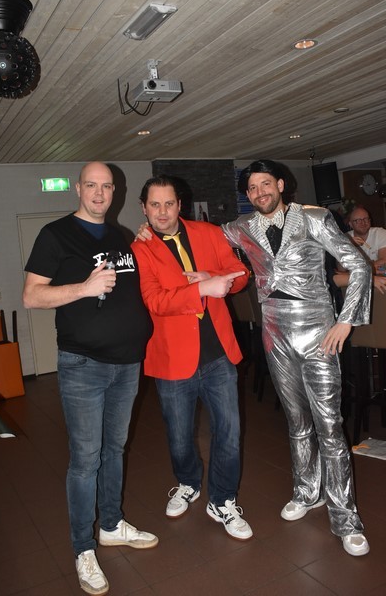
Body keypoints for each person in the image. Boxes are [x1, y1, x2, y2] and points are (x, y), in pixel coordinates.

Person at [222, 159, 372, 557]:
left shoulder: (314, 218)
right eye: (252, 188)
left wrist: (346, 321)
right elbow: (203, 236)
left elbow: (359, 265)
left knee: (329, 426)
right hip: (274, 331)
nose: (259, 192)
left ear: (280, 184)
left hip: (318, 331)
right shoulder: (243, 226)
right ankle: (307, 491)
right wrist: (152, 231)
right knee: (296, 421)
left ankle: (346, 518)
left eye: (265, 184)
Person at [23, 162, 158, 596]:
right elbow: (32, 295)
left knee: (115, 449)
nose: (99, 193)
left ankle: (112, 525)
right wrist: (83, 287)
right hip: (83, 365)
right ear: (78, 189)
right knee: (86, 459)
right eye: (91, 186)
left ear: (115, 191)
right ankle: (83, 547)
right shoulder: (55, 234)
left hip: (127, 364)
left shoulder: (120, 236)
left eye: (107, 186)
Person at [131, 174, 253, 541]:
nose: (162, 212)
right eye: (155, 205)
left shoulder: (208, 233)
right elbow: (154, 301)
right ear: (143, 208)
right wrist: (201, 288)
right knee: (180, 436)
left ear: (179, 205)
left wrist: (211, 276)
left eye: (168, 204)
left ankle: (223, 499)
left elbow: (241, 274)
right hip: (172, 359)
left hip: (217, 354)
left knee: (229, 432)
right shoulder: (140, 248)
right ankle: (187, 483)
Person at [347, 206, 386, 272]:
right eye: (358, 220)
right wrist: (349, 246)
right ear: (351, 224)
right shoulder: (345, 238)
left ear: (370, 220)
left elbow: (384, 261)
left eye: (366, 219)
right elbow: (341, 268)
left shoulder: (380, 233)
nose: (363, 222)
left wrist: (357, 268)